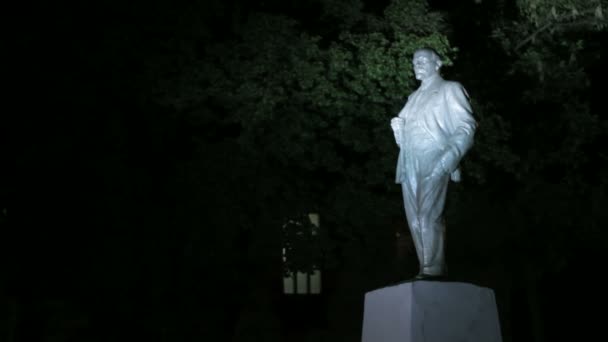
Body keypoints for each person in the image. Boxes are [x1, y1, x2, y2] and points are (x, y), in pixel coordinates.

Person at [390, 48, 476, 279]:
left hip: (436, 157)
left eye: (422, 60)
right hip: (409, 162)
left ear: (437, 64)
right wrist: (399, 131)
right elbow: (408, 135)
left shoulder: (450, 89)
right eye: (414, 61)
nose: (417, 64)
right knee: (415, 219)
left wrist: (449, 158)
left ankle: (433, 269)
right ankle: (425, 267)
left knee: (429, 214)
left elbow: (466, 127)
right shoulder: (412, 97)